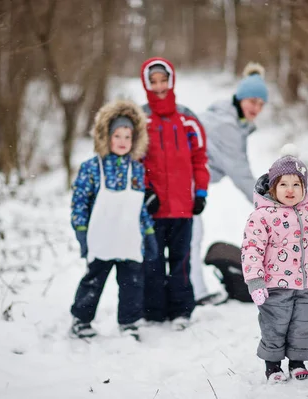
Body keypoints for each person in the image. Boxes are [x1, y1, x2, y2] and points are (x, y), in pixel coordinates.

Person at [240, 145, 308, 382]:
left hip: (307, 285)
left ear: (304, 188)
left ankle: (297, 363)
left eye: (296, 184)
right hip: (275, 287)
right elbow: (252, 250)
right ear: (273, 187)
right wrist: (255, 282)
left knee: (305, 324)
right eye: (283, 184)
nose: (290, 190)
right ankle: (273, 365)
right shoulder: (261, 217)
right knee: (275, 325)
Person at [69, 99, 157, 340]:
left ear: (135, 140)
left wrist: (148, 233)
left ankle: (129, 322)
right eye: (117, 135)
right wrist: (80, 229)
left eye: (127, 137)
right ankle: (81, 320)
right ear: (105, 136)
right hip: (101, 239)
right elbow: (79, 202)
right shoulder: (92, 167)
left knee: (132, 284)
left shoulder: (136, 169)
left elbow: (138, 206)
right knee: (93, 282)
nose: (122, 142)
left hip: (129, 239)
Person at [139, 57, 210, 330]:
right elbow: (136, 161)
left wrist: (201, 192)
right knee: (153, 260)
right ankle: (154, 312)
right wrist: (146, 191)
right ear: (146, 84)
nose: (159, 86)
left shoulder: (187, 118)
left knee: (180, 260)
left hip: (183, 205)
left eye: (163, 80)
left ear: (171, 80)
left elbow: (199, 159)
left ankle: (181, 310)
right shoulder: (141, 119)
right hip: (153, 207)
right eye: (153, 81)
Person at [190, 62, 269, 305]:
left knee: (189, 235)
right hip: (182, 182)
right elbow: (241, 173)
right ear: (240, 98)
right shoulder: (227, 126)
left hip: (188, 183)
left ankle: (191, 291)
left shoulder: (231, 119)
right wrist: (269, 206)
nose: (256, 108)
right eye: (252, 101)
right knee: (191, 235)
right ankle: (193, 294)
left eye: (261, 103)